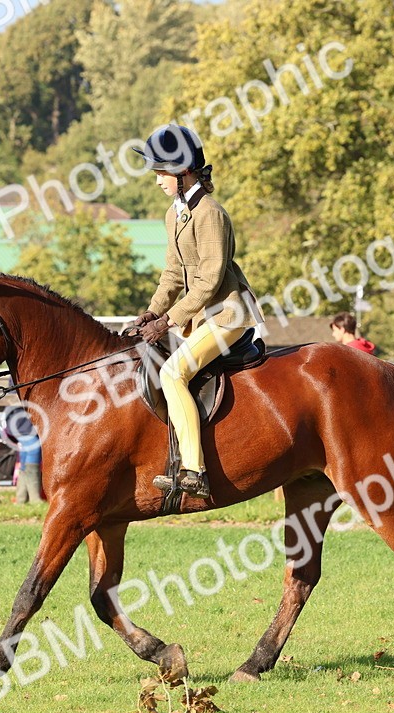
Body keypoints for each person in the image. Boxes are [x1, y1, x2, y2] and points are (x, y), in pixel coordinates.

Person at [125, 124, 265, 500]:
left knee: (173, 373)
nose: (157, 180)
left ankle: (194, 470)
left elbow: (208, 280)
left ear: (183, 172)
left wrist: (168, 320)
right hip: (200, 317)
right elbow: (172, 273)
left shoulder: (210, 214)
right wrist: (150, 313)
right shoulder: (175, 214)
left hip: (227, 315)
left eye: (161, 172)